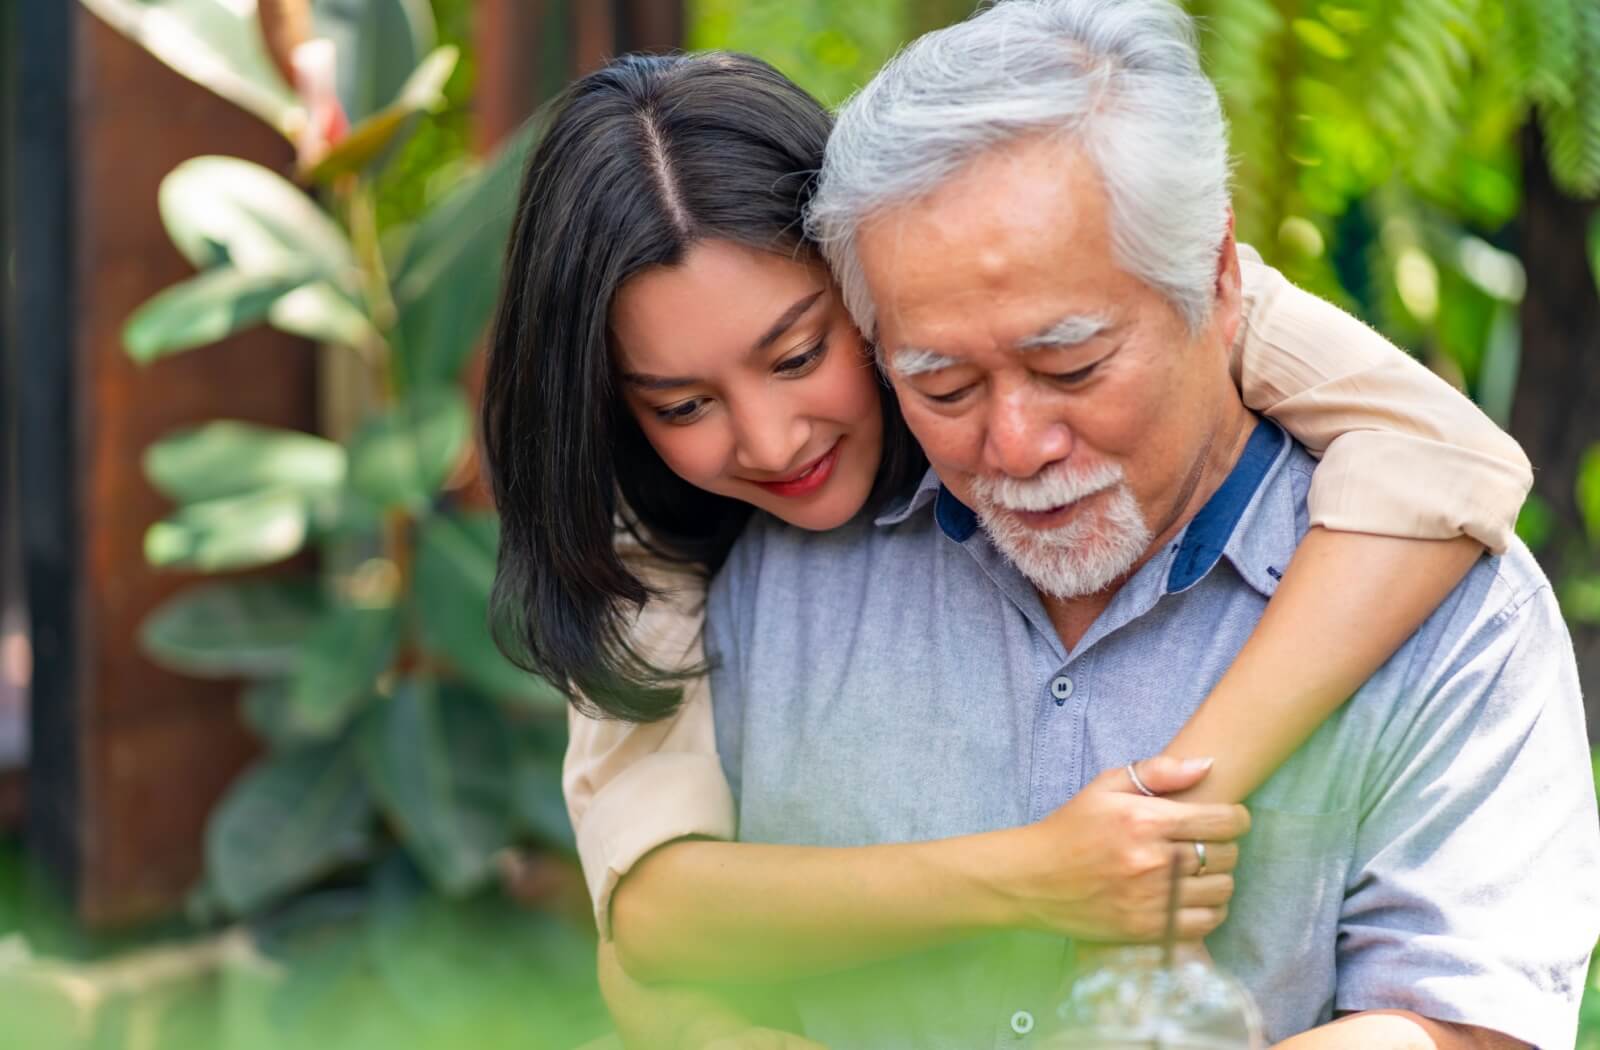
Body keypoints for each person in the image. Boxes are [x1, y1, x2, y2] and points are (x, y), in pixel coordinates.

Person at [479, 45, 1535, 1049]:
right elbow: (654, 926)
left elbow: (1449, 456)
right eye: (683, 402)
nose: (770, 440)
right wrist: (1042, 873)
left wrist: (1183, 797)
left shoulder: (1122, 280)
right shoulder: (666, 542)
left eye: (797, 355)